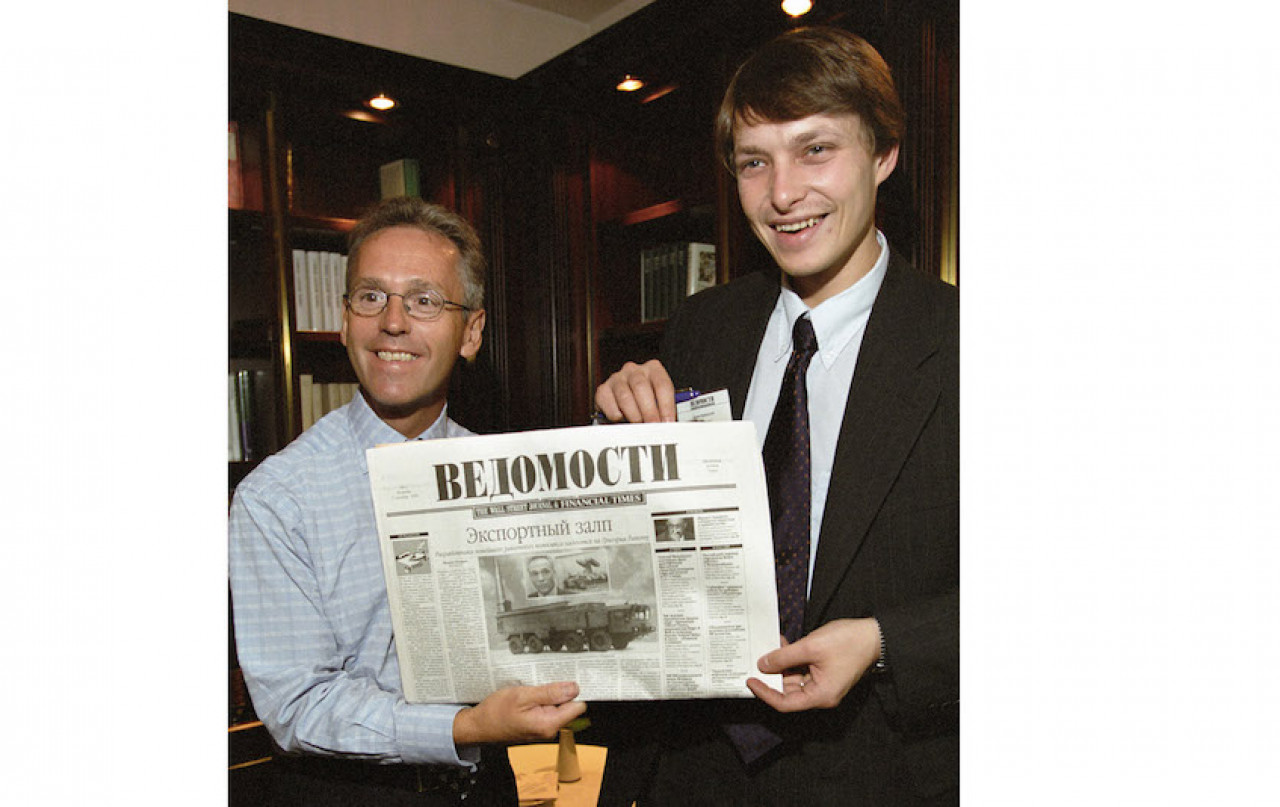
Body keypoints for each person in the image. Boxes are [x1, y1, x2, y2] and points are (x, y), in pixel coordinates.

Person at [592, 26, 958, 806]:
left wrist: (885, 642)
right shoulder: (702, 326)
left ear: (884, 155)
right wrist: (616, 438)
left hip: (879, 771)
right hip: (692, 768)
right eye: (755, 161)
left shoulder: (966, 345)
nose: (783, 193)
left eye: (816, 150)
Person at [229, 197, 586, 806]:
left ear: (470, 332)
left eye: (424, 301)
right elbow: (296, 706)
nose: (393, 322)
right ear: (345, 321)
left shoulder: (505, 475)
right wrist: (465, 728)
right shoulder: (276, 498)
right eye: (371, 297)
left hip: (501, 785)